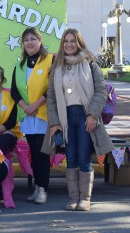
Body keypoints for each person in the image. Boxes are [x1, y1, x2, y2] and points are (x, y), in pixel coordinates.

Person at [43, 28, 114, 211]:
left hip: (85, 117)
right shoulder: (56, 67)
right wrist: (54, 122)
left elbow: (101, 91)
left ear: (79, 43)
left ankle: (85, 198)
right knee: (71, 157)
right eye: (66, 41)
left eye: (73, 41)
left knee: (84, 157)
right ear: (62, 44)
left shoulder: (90, 64)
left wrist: (92, 115)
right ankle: (73, 198)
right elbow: (50, 96)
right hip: (65, 118)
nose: (69, 44)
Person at [11, 27, 53, 204]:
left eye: (33, 39)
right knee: (34, 154)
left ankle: (43, 189)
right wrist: (26, 107)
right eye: (26, 39)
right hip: (28, 117)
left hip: (44, 115)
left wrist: (35, 105)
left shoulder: (51, 60)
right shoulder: (19, 65)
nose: (29, 42)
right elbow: (14, 91)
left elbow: (52, 88)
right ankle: (37, 186)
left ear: (40, 41)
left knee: (42, 153)